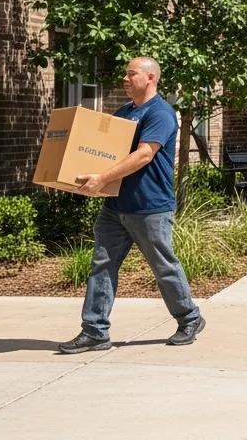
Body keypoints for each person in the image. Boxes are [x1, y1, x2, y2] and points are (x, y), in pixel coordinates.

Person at [58, 57, 204, 354]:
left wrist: (101, 178)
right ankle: (95, 331)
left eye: (131, 73)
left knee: (163, 266)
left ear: (150, 78)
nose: (124, 78)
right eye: (125, 73)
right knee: (102, 265)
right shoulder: (124, 112)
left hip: (150, 206)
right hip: (115, 206)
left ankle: (190, 317)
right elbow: (105, 151)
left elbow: (143, 156)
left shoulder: (161, 112)